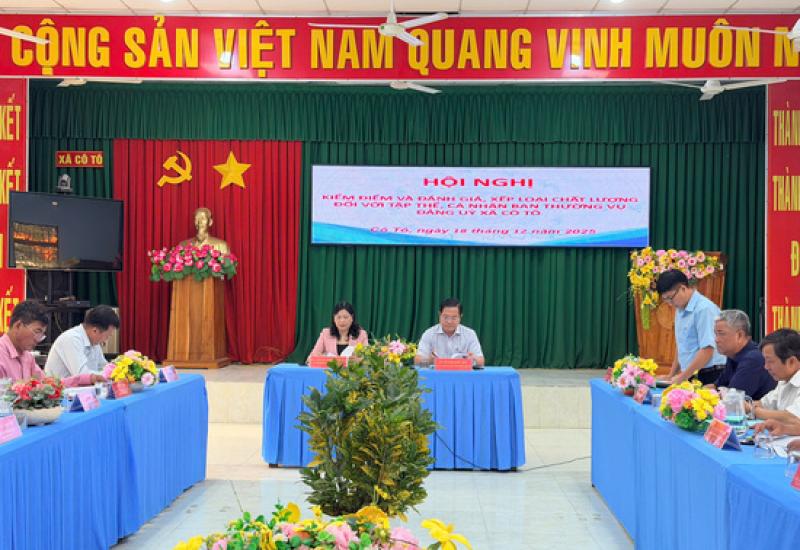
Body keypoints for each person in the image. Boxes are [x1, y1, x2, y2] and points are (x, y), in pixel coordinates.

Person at [0, 301, 105, 386]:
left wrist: (89, 378)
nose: (38, 340)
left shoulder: (27, 357)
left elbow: (48, 385)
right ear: (18, 326)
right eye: (37, 332)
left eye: (42, 334)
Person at [656, 270, 726, 385]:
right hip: (692, 374)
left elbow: (707, 349)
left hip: (710, 374)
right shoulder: (680, 309)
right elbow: (682, 346)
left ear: (683, 288)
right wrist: (671, 375)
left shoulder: (704, 309)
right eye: (665, 299)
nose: (669, 303)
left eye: (670, 298)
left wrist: (683, 377)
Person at [710, 310, 776, 400]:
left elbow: (732, 401)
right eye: (716, 334)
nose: (716, 340)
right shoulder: (733, 355)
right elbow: (716, 387)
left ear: (740, 335)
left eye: (721, 334)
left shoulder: (753, 359)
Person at [45, 305, 120, 379]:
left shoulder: (94, 342)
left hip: (82, 386)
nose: (106, 340)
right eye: (107, 336)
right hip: (60, 386)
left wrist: (119, 371)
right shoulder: (72, 339)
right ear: (95, 331)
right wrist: (109, 374)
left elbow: (103, 367)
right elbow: (81, 375)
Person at [414, 297, 484, 367]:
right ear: (439, 314)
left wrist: (473, 359)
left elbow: (481, 362)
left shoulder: (470, 334)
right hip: (438, 373)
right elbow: (417, 361)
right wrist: (430, 360)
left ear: (460, 316)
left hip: (461, 372)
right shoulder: (429, 333)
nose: (449, 321)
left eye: (454, 317)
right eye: (445, 317)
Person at [750, 329, 800, 422]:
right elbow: (763, 404)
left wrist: (753, 410)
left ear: (791, 362)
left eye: (770, 361)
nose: (766, 367)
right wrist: (741, 404)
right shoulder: (783, 381)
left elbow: (793, 417)